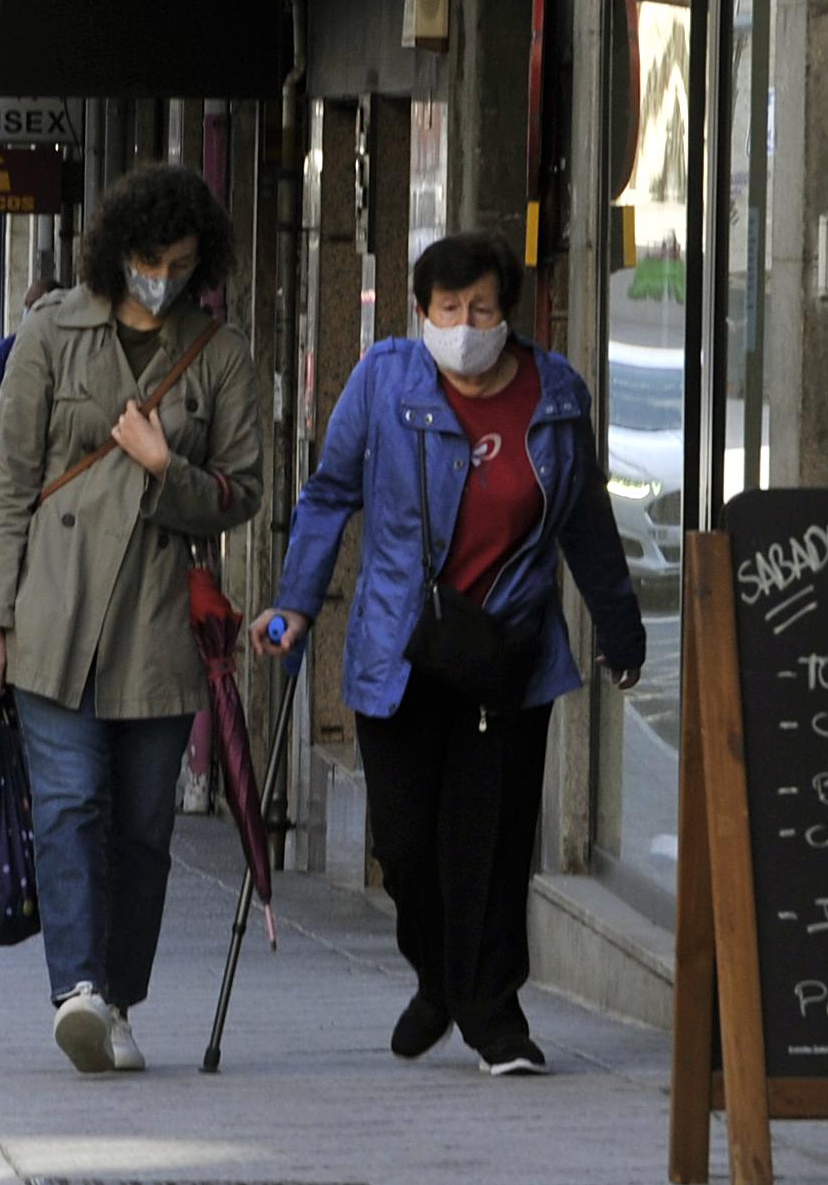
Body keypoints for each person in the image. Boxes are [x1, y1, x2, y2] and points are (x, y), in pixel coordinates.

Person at [253, 231, 646, 1078]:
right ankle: (439, 978)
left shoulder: (557, 394)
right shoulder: (384, 381)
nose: (465, 326)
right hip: (403, 645)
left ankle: (494, 1018)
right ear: (422, 313)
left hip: (507, 651)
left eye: (483, 309)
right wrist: (293, 604)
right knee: (405, 846)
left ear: (511, 314)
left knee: (494, 845)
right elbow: (329, 495)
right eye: (448, 310)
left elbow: (585, 522)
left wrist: (621, 632)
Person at [0, 162, 264, 1076]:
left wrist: (160, 464)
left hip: (157, 625)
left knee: (142, 829)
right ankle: (80, 989)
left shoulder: (219, 354)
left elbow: (242, 492)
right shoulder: (51, 332)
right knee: (68, 806)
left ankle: (120, 998)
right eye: (146, 258)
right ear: (114, 253)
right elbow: (7, 483)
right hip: (51, 614)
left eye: (178, 262)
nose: (160, 276)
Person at [0, 276, 55, 387]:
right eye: (26, 305)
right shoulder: (7, 349)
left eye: (34, 305)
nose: (28, 311)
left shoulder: (67, 345)